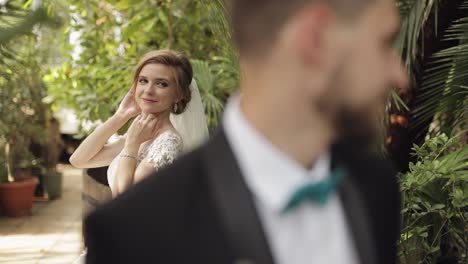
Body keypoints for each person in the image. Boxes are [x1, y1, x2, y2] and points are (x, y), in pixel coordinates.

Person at [84, 0, 408, 263]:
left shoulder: (374, 187)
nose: (400, 75)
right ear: (315, 38)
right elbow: (82, 159)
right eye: (383, 43)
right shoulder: (130, 229)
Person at [70, 49, 208, 197]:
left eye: (161, 84)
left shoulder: (168, 142)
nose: (148, 90)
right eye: (143, 81)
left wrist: (132, 145)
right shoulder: (141, 134)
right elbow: (78, 160)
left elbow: (124, 197)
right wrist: (121, 115)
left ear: (178, 94)